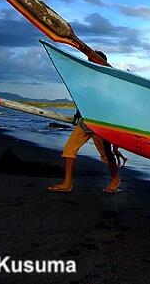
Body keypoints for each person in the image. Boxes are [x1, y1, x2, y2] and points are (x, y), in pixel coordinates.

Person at [47, 50, 127, 194]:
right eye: (89, 60)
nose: (90, 63)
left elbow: (112, 105)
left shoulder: (108, 81)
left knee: (106, 155)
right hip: (84, 122)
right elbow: (83, 100)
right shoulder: (85, 80)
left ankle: (115, 180)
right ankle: (67, 184)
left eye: (93, 61)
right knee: (69, 151)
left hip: (100, 123)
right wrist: (78, 114)